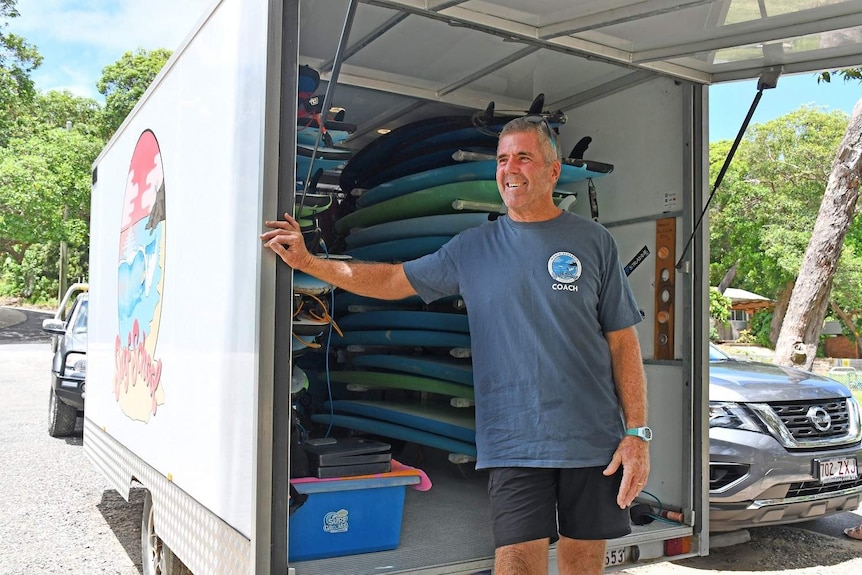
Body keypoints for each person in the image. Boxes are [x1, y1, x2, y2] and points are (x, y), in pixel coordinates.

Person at [261, 115, 650, 575]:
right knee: (516, 564)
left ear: (552, 170)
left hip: (593, 441)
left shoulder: (594, 242)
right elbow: (391, 279)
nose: (510, 169)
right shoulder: (472, 248)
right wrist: (310, 261)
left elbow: (623, 342)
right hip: (513, 442)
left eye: (524, 157)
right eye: (503, 159)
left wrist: (637, 433)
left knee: (583, 564)